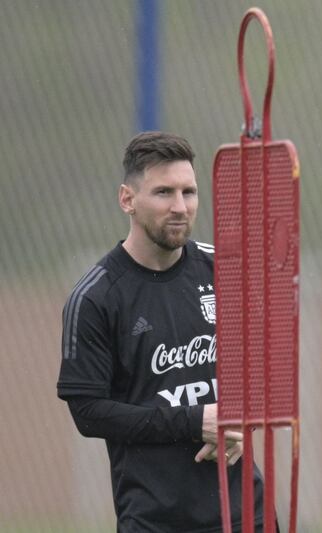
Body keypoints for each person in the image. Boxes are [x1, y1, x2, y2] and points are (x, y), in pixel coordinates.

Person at [57, 132, 268, 532]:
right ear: (127, 200)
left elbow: (261, 368)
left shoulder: (225, 270)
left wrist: (243, 419)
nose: (179, 207)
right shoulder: (97, 297)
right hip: (157, 520)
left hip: (245, 513)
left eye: (189, 192)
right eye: (163, 192)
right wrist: (193, 422)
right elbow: (87, 412)